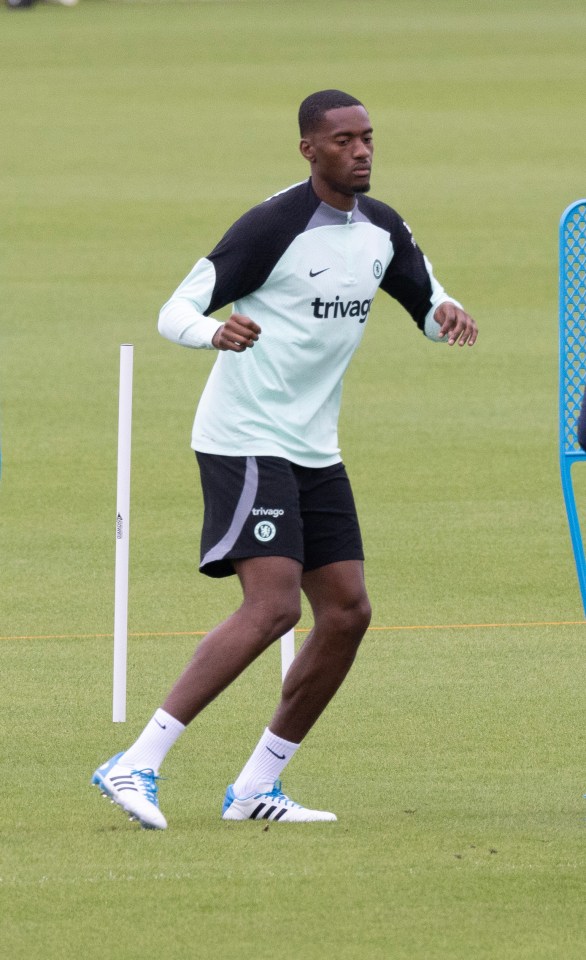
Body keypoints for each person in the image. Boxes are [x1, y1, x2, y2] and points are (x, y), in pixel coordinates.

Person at [92, 89, 478, 829]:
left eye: (368, 138)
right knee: (271, 608)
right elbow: (177, 307)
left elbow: (425, 302)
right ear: (309, 149)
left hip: (312, 446)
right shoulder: (273, 226)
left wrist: (444, 315)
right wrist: (213, 335)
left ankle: (255, 787)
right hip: (244, 437)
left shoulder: (382, 228)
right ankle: (134, 762)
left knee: (346, 613)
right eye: (343, 141)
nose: (361, 151)